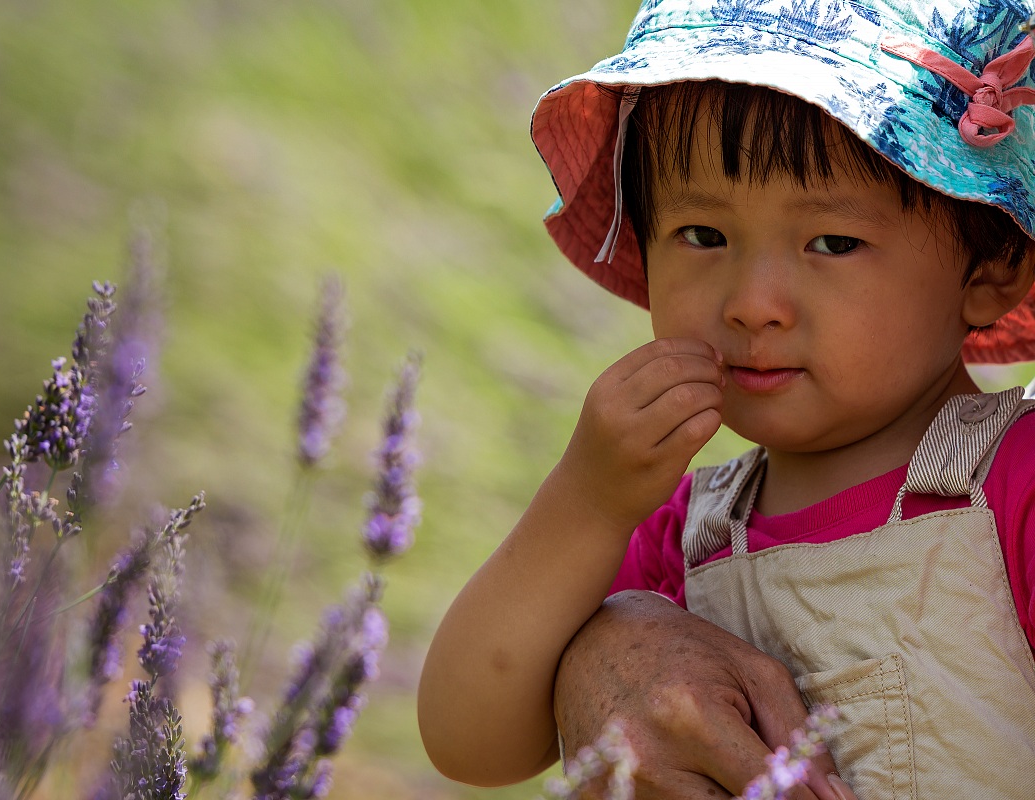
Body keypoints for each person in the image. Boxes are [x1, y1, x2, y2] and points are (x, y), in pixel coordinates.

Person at [417, 0, 1035, 797]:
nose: (752, 304)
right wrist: (587, 501)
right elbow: (471, 740)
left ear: (992, 268)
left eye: (832, 243)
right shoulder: (684, 534)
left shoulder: (1013, 486)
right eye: (703, 235)